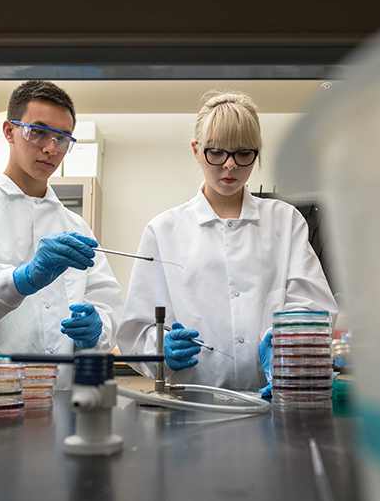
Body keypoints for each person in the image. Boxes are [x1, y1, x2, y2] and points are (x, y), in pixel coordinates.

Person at [116, 91, 338, 395]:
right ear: (196, 150)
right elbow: (136, 329)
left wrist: (286, 343)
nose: (230, 165)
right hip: (193, 406)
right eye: (216, 152)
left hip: (272, 403)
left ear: (257, 153)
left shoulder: (286, 222)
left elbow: (313, 308)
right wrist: (161, 350)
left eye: (243, 153)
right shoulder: (163, 230)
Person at [0, 80, 124, 389]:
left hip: (61, 396)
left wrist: (97, 328)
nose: (51, 148)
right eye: (38, 132)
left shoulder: (75, 226)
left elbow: (107, 304)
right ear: (9, 131)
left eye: (63, 139)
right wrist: (20, 279)